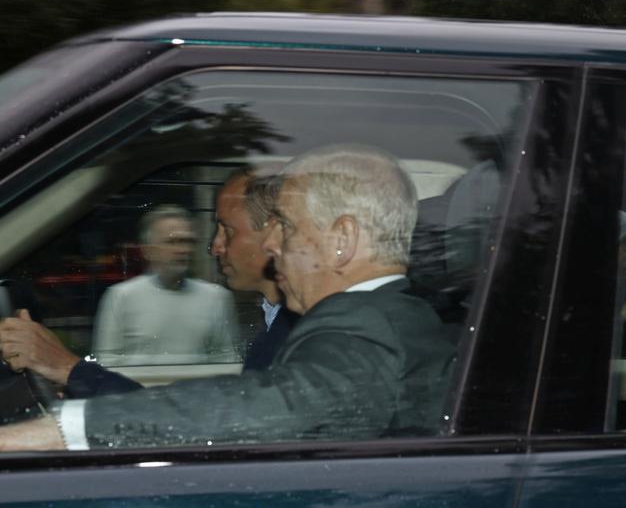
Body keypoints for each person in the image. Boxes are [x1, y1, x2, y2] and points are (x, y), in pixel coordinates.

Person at [0, 144, 455, 451]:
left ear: (342, 241)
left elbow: (272, 407)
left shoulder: (367, 328)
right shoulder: (386, 315)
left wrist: (55, 432)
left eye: (287, 227)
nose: (273, 244)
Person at [0, 168, 298, 397]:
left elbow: (211, 424)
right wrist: (74, 376)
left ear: (272, 235)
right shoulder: (276, 324)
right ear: (148, 250)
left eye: (228, 230)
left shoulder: (297, 334)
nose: (214, 247)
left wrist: (68, 368)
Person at [92, 205, 240, 367]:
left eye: (187, 241)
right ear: (148, 251)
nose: (183, 250)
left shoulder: (217, 298)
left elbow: (227, 362)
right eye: (172, 242)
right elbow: (106, 364)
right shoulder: (121, 297)